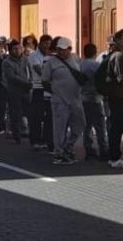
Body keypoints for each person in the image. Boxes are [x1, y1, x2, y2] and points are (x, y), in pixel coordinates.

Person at [42, 37, 86, 165]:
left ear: (70, 49)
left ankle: (68, 146)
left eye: (64, 49)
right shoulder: (51, 62)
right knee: (59, 128)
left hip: (75, 99)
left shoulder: (75, 59)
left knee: (80, 124)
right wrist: (55, 92)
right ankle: (59, 153)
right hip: (60, 100)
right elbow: (45, 81)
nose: (61, 52)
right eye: (59, 49)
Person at [105, 29, 123, 169]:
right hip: (117, 96)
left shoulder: (118, 55)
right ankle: (114, 157)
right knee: (117, 126)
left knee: (118, 126)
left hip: (116, 96)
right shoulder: (118, 56)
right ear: (117, 41)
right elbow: (121, 77)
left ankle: (114, 156)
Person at [80, 43, 108, 160]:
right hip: (95, 98)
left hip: (83, 98)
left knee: (86, 126)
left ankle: (89, 149)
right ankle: (103, 149)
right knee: (100, 125)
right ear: (95, 53)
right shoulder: (97, 66)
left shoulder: (80, 65)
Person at [2, 39, 32, 144]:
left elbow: (30, 71)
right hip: (14, 91)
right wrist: (25, 82)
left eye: (19, 48)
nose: (18, 50)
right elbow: (11, 77)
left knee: (30, 112)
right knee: (16, 114)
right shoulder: (7, 62)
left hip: (26, 90)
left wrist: (30, 82)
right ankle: (17, 135)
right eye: (15, 49)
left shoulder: (25, 59)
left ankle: (32, 134)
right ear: (10, 50)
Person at [27, 35, 54, 151]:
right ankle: (35, 140)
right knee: (37, 116)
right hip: (38, 88)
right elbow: (39, 70)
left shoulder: (50, 57)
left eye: (49, 43)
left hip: (49, 89)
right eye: (45, 43)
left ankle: (47, 139)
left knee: (49, 116)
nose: (47, 46)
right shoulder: (34, 56)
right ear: (40, 43)